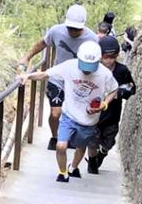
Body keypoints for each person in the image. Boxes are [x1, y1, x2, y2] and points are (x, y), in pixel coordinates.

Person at [21, 41, 118, 182]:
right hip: (69, 115)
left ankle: (73, 167)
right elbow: (45, 74)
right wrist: (27, 76)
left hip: (89, 119)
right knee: (61, 146)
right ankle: (63, 172)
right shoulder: (69, 66)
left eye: (90, 67)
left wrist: (104, 104)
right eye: (84, 65)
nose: (87, 70)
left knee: (81, 145)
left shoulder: (105, 74)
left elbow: (114, 89)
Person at [18, 4, 98, 150]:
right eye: (70, 28)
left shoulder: (92, 38)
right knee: (56, 113)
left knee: (75, 114)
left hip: (79, 82)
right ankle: (55, 137)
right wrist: (26, 58)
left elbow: (98, 60)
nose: (73, 32)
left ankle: (70, 138)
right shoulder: (56, 31)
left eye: (76, 29)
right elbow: (42, 44)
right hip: (57, 78)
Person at [87, 35, 136, 174]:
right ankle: (92, 163)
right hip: (94, 114)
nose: (109, 60)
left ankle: (102, 153)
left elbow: (131, 88)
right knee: (92, 141)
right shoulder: (92, 69)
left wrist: (119, 92)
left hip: (112, 115)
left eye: (112, 56)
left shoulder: (122, 71)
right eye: (105, 56)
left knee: (108, 142)